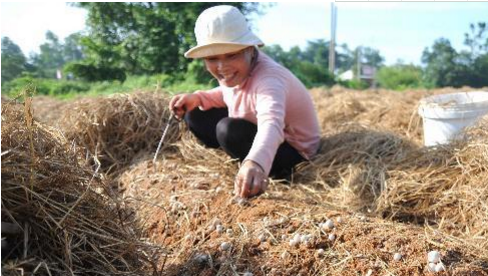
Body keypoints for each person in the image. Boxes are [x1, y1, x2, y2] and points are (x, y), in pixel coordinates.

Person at [169, 5, 320, 198]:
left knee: (228, 130)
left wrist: (255, 162)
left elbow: (271, 124)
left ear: (249, 49)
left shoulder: (269, 79)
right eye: (212, 58)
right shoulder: (239, 71)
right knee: (196, 114)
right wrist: (198, 98)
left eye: (231, 55)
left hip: (294, 152)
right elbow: (227, 92)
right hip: (259, 128)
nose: (222, 67)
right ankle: (242, 157)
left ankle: (269, 171)